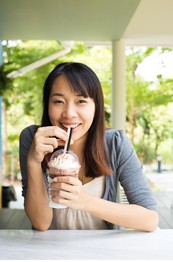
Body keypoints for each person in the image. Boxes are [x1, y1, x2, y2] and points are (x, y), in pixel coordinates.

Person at [19, 62, 158, 231]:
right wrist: (33, 161)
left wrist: (84, 201)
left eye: (81, 101)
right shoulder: (33, 139)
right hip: (51, 253)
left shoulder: (115, 143)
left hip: (102, 253)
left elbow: (150, 219)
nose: (69, 113)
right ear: (47, 104)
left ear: (96, 106)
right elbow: (41, 223)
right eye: (58, 101)